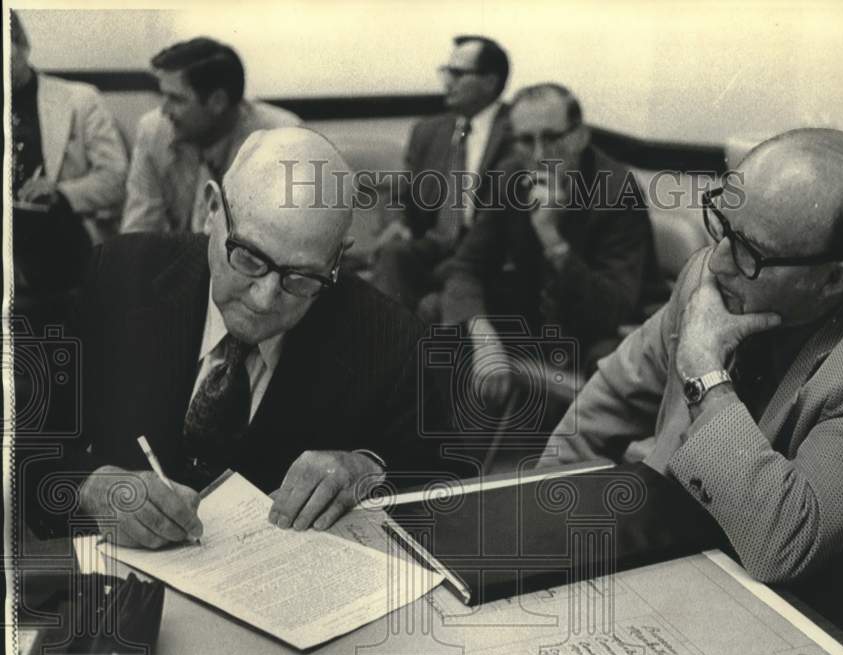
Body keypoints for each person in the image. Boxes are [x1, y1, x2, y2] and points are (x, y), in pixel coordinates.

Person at [538, 128, 843, 655]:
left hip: (830, 648)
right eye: (723, 224)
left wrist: (706, 373)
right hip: (696, 582)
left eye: (751, 252)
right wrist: (539, 521)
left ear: (833, 280)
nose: (720, 260)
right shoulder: (714, 276)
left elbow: (784, 544)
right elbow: (610, 398)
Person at [23, 127, 442, 548]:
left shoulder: (389, 338)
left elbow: (443, 483)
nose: (264, 299)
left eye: (301, 277)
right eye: (248, 258)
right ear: (210, 209)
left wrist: (367, 471)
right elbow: (24, 441)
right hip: (119, 593)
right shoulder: (122, 274)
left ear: (337, 257)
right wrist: (90, 487)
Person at [432, 82, 656, 408]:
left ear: (580, 136)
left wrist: (552, 239)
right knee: (437, 308)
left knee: (609, 359)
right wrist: (483, 336)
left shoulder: (617, 191)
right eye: (526, 140)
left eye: (551, 138)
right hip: (539, 315)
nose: (539, 155)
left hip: (597, 328)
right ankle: (455, 445)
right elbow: (466, 265)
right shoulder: (511, 175)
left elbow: (612, 308)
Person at [370, 35, 511, 310]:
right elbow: (399, 195)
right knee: (392, 253)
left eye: (457, 73)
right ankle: (387, 343)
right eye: (445, 71)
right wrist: (396, 223)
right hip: (433, 243)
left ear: (490, 82)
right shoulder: (429, 130)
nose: (447, 82)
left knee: (433, 303)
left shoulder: (516, 132)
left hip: (486, 250)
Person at [10, 11, 128, 313]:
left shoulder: (80, 100)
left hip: (61, 242)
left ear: (22, 46)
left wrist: (60, 192)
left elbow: (116, 179)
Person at [121, 37, 299, 235]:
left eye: (176, 99)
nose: (164, 110)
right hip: (180, 258)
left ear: (217, 102)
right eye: (164, 96)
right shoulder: (153, 131)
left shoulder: (280, 139)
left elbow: (284, 239)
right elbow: (138, 230)